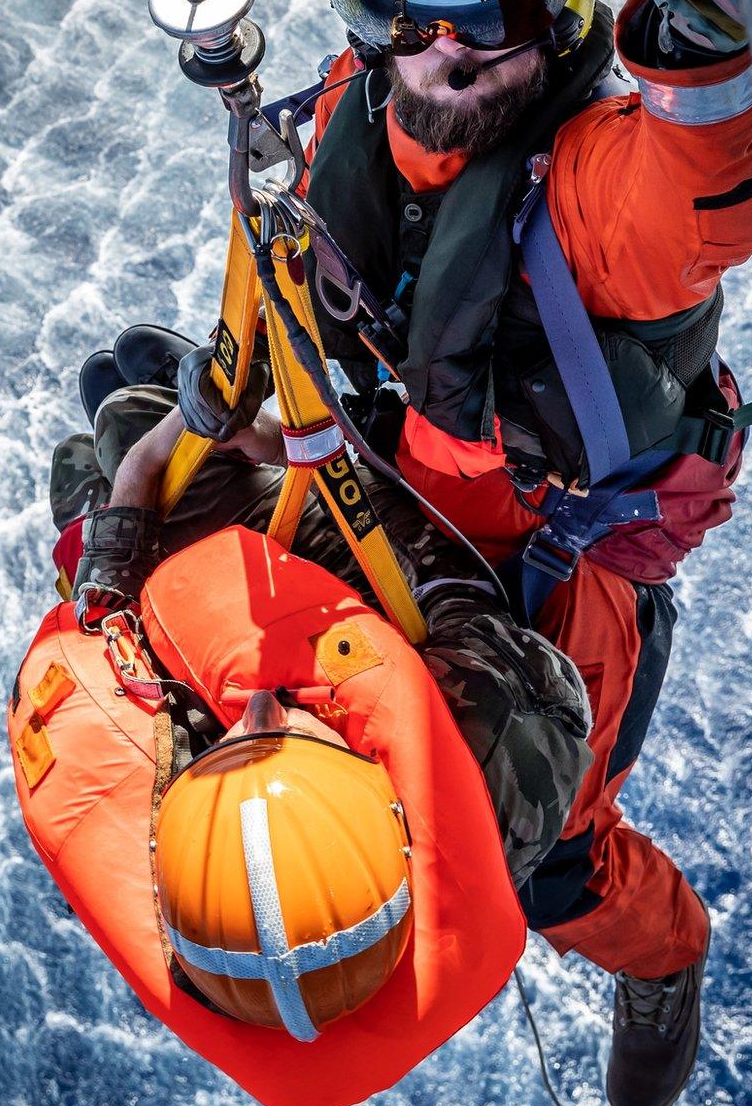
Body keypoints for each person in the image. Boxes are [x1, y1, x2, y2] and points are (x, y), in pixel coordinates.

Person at [150, 0, 752, 1106]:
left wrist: (711, 1)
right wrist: (205, 430)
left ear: (561, 8)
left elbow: (710, 184)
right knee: (125, 424)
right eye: (399, 6)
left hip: (547, 578)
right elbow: (267, 306)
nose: (439, 50)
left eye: (483, 12)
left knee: (555, 859)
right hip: (371, 491)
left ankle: (666, 957)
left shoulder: (594, 197)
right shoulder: (329, 120)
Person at [49, 326, 593, 899]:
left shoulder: (354, 879)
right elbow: (444, 584)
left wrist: (143, 466)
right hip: (367, 629)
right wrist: (256, 447)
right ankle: (154, 456)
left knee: (104, 448)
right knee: (123, 425)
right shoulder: (473, 746)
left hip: (360, 675)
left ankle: (117, 488)